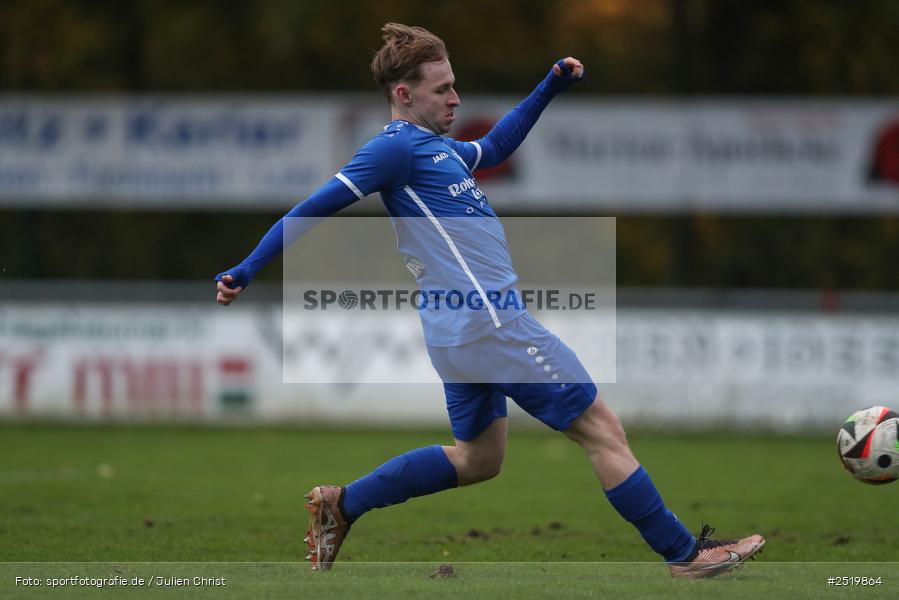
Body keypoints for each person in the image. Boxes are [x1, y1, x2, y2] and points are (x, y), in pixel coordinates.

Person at [215, 23, 764, 578]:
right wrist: (247, 268)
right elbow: (312, 208)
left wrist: (550, 86)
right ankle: (684, 554)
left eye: (454, 84)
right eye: (441, 89)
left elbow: (496, 146)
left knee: (478, 459)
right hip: (491, 324)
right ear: (404, 94)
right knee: (603, 431)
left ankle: (343, 504)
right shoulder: (394, 148)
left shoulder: (440, 150)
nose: (455, 97)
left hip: (457, 333)